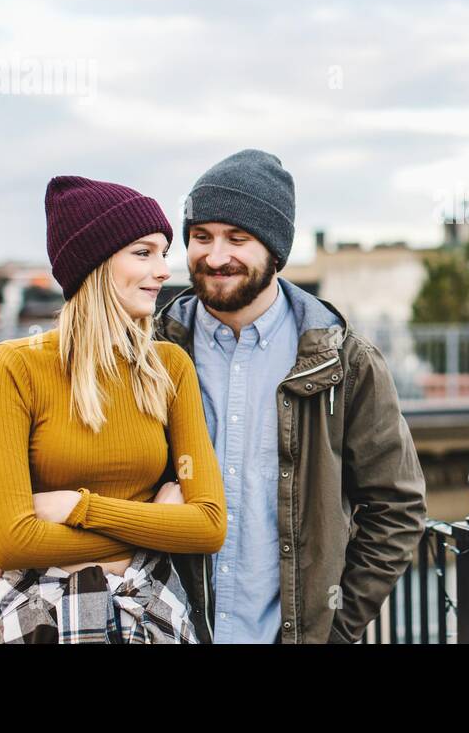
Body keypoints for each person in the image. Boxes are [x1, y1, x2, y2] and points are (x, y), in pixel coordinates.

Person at [153, 148, 427, 643]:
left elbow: (396, 508)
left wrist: (334, 631)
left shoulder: (346, 362)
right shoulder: (150, 353)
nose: (215, 257)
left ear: (275, 251)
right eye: (201, 237)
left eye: (238, 238)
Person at [0, 175, 226, 643]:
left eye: (163, 252)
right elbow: (11, 542)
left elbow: (209, 526)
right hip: (42, 621)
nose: (163, 270)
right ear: (94, 263)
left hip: (150, 616)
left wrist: (78, 507)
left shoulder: (170, 368)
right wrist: (155, 523)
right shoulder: (13, 367)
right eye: (143, 252)